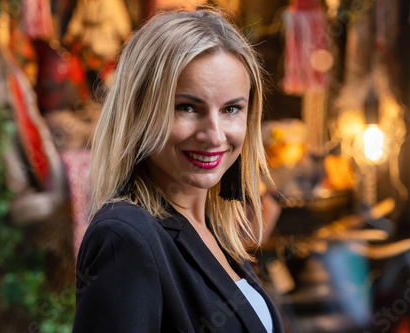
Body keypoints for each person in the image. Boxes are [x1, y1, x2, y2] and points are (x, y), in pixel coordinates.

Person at [73, 8, 284, 333]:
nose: (214, 135)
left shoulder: (213, 229)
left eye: (231, 109)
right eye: (187, 107)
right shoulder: (125, 239)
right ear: (139, 113)